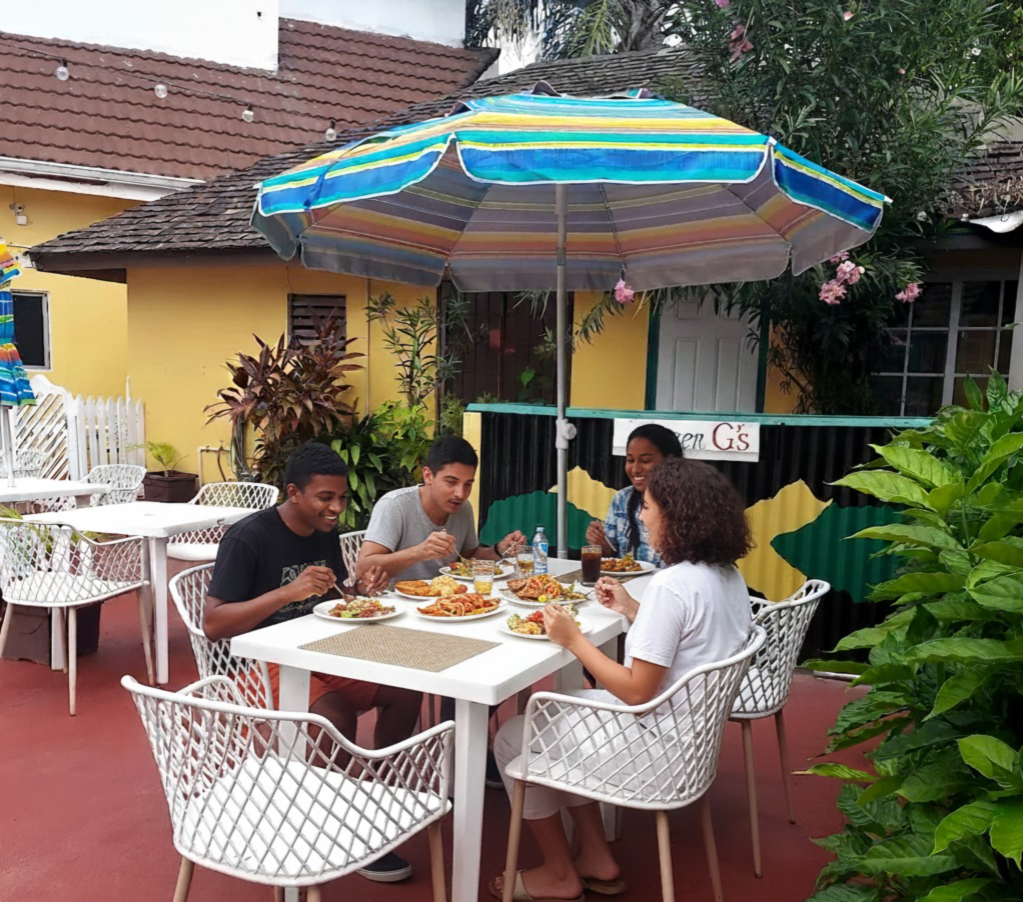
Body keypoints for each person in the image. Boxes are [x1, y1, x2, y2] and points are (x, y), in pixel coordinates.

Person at [491, 457, 753, 902]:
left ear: (676, 514)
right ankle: (596, 857)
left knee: (515, 738)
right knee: (557, 715)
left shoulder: (672, 585)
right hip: (692, 743)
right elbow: (692, 641)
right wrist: (634, 610)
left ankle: (559, 873)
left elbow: (635, 690)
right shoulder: (727, 576)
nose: (641, 515)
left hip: (654, 750)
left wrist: (572, 639)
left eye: (648, 506)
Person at [203, 442, 423, 884]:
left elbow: (331, 597)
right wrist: (287, 593)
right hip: (250, 662)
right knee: (334, 715)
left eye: (341, 498)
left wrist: (362, 593)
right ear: (294, 493)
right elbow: (213, 623)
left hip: (316, 648)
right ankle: (335, 828)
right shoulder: (249, 536)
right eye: (326, 498)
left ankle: (371, 798)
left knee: (405, 688)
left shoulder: (323, 533)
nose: (336, 508)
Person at [357, 435, 525, 583]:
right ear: (428, 476)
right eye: (451, 482)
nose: (460, 494)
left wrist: (498, 549)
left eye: (468, 484)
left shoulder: (463, 508)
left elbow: (467, 556)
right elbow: (363, 567)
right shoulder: (395, 505)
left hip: (449, 602)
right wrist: (420, 552)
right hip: (397, 605)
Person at [585, 423, 684, 566]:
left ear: (669, 461)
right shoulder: (622, 499)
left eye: (645, 461)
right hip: (626, 586)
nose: (635, 469)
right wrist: (600, 543)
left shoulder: (686, 502)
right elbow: (613, 556)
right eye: (630, 460)